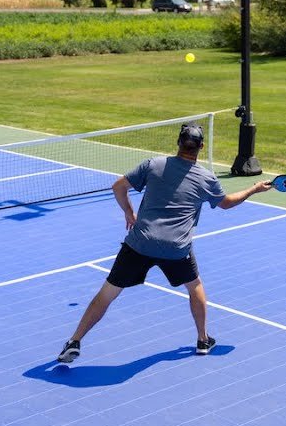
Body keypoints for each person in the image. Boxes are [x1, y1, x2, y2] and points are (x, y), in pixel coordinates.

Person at [57, 123, 273, 363]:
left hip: (139, 243)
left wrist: (129, 212)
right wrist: (254, 188)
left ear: (178, 143)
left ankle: (75, 341)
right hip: (176, 249)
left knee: (108, 293)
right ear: (201, 147)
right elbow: (227, 203)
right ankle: (203, 340)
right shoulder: (206, 178)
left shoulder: (153, 165)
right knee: (195, 287)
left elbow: (118, 187)